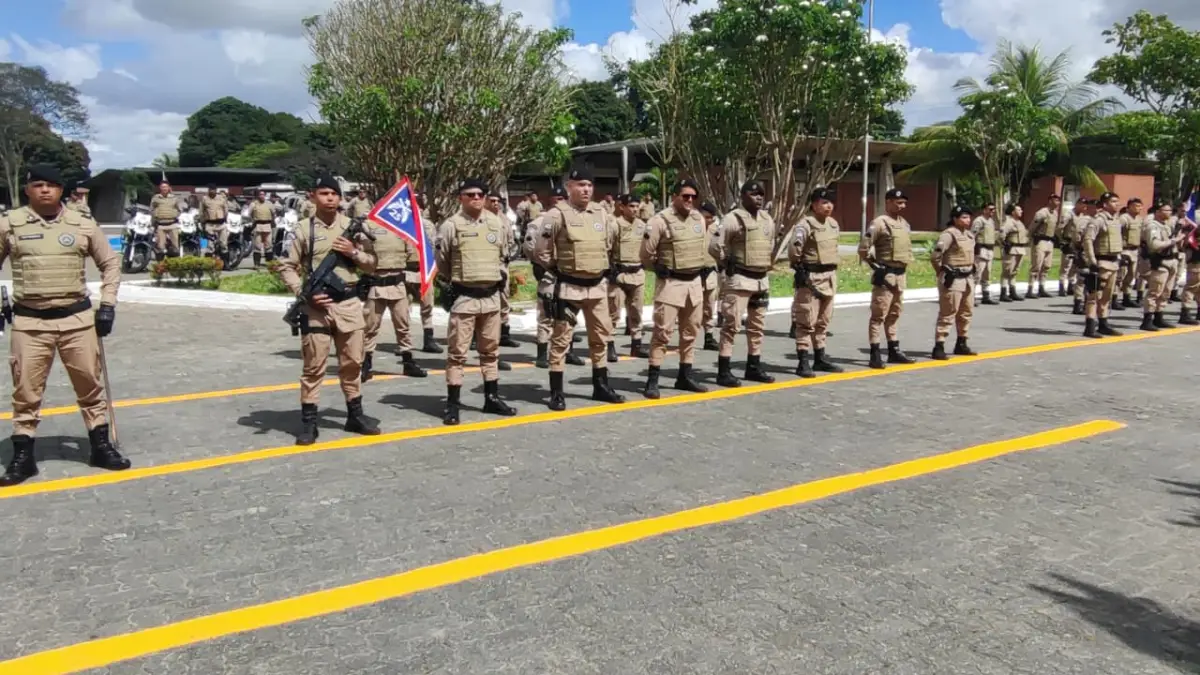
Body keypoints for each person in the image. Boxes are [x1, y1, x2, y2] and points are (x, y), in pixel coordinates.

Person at [0, 164, 129, 486]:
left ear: (62, 190)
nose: (45, 190)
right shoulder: (9, 224)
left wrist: (108, 305)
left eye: (52, 185)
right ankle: (23, 456)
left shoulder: (81, 223)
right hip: (30, 322)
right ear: (28, 189)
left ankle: (100, 446)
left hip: (77, 320)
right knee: (26, 391)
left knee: (89, 384)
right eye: (38, 184)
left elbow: (110, 263)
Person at [276, 173, 381, 445]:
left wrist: (354, 252)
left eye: (334, 194)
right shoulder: (303, 229)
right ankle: (309, 423)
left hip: (348, 304)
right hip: (317, 308)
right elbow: (287, 266)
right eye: (324, 193)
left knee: (352, 363)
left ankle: (354, 415)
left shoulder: (353, 227)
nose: (330, 198)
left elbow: (372, 264)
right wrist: (303, 294)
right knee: (314, 366)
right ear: (313, 197)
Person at [533, 168, 625, 410]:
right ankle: (556, 392)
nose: (586, 190)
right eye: (581, 185)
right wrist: (560, 270)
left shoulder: (602, 214)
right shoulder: (556, 215)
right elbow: (541, 252)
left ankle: (601, 386)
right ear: (569, 187)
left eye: (590, 185)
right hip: (569, 289)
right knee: (561, 340)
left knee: (600, 338)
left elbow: (612, 244)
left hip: (597, 289)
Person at [435, 179, 518, 425]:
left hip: (491, 298)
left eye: (480, 194)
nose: (476, 198)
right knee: (457, 353)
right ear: (460, 198)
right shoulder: (451, 226)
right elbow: (442, 262)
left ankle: (491, 397)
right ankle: (452, 403)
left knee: (490, 352)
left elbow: (504, 254)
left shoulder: (496, 223)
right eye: (469, 194)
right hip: (465, 298)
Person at [639, 179, 709, 397]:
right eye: (685, 196)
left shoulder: (699, 218)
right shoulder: (659, 221)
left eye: (693, 197)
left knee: (690, 332)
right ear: (675, 197)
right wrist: (657, 268)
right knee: (662, 333)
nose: (689, 200)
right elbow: (645, 254)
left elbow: (703, 247)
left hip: (694, 284)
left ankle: (685, 376)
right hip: (671, 284)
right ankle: (653, 379)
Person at [711, 180, 776, 387]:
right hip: (739, 279)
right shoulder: (732, 219)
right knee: (731, 325)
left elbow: (771, 244)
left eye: (761, 194)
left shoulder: (767, 219)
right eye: (753, 194)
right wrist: (725, 261)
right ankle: (724, 370)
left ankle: (753, 366)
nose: (758, 198)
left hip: (760, 280)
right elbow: (714, 245)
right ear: (743, 196)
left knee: (757, 326)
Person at [360, 216, 428, 382]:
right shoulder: (367, 226)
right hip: (377, 284)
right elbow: (361, 256)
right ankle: (365, 363)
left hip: (398, 284)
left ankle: (408, 361)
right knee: (370, 327)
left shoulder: (401, 228)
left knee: (403, 325)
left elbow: (413, 256)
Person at [858, 188, 916, 369]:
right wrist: (875, 266)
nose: (902, 206)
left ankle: (893, 350)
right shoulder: (879, 223)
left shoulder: (905, 224)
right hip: (886, 276)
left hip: (900, 276)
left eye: (904, 203)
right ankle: (875, 353)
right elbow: (863, 248)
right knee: (878, 316)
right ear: (888, 202)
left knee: (894, 314)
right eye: (898, 202)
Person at [789, 187, 842, 378]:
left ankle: (820, 357)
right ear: (814, 205)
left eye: (830, 202)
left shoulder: (833, 224)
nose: (829, 206)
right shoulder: (805, 225)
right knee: (806, 321)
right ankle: (803, 361)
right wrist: (800, 270)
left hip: (829, 277)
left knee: (823, 321)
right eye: (824, 202)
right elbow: (794, 251)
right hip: (811, 278)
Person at [523, 187, 578, 368]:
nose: (559, 201)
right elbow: (530, 249)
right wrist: (545, 266)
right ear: (550, 201)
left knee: (568, 315)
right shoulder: (538, 222)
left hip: (569, 275)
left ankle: (568, 351)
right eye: (556, 198)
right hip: (548, 274)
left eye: (562, 198)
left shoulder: (575, 220)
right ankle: (541, 353)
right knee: (546, 314)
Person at [930, 205, 977, 359]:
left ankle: (961, 342)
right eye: (963, 217)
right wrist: (941, 272)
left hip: (968, 278)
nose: (967, 220)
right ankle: (939, 345)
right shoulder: (949, 235)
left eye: (969, 217)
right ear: (955, 219)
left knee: (966, 311)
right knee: (948, 312)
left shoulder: (969, 235)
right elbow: (936, 256)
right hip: (954, 278)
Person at [606, 193, 649, 360]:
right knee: (613, 312)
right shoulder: (615, 225)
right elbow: (606, 249)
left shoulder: (642, 225)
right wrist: (609, 271)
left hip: (637, 273)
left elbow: (647, 247)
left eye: (637, 206)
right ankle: (609, 345)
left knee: (636, 311)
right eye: (631, 206)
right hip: (619, 274)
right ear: (621, 207)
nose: (635, 209)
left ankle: (636, 345)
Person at [1080, 191, 1125, 338]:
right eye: (1113, 202)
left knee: (1107, 296)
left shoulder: (1116, 220)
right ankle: (1090, 326)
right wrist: (1092, 261)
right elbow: (1088, 240)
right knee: (1094, 296)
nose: (1117, 204)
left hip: (1113, 262)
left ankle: (1104, 324)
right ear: (1105, 204)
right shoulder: (1098, 220)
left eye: (1117, 201)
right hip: (1101, 262)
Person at [1138, 201, 1185, 331]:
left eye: (1170, 211)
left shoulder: (1167, 225)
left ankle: (1159, 317)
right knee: (1155, 291)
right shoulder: (1152, 226)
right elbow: (1155, 245)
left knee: (1166, 292)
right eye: (1166, 210)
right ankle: (1147, 320)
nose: (1169, 213)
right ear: (1158, 211)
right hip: (1160, 262)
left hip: (1171, 261)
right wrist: (1174, 240)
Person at [485, 191, 520, 353]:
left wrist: (510, 255)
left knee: (504, 299)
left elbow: (512, 241)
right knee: (484, 300)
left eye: (497, 201)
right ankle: (476, 337)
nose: (495, 204)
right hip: (486, 265)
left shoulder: (504, 219)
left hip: (502, 264)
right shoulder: (481, 218)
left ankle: (504, 334)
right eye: (492, 200)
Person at [408, 192, 442, 355]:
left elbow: (434, 246)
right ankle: (404, 344)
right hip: (405, 270)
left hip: (424, 270)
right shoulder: (401, 225)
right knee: (402, 309)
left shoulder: (427, 225)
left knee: (427, 306)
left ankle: (429, 339)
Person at [1028, 194, 1063, 298]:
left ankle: (1041, 287)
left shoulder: (1055, 214)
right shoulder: (1042, 213)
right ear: (1050, 201)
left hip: (1050, 242)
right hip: (1040, 241)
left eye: (1058, 201)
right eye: (1056, 200)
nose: (1058, 203)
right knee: (1036, 266)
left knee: (1047, 265)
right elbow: (1032, 227)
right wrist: (1030, 238)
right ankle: (1030, 288)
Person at [698, 201, 721, 350]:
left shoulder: (717, 229)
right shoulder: (692, 227)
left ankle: (709, 336)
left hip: (711, 272)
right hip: (693, 272)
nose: (709, 220)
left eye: (711, 218)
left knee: (709, 306)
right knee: (691, 308)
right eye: (706, 217)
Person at [1116, 197, 1145, 310]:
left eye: (1140, 206)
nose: (1138, 208)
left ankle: (1126, 297)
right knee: (1120, 275)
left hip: (1135, 250)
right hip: (1124, 249)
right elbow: (1116, 233)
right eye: (1136, 206)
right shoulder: (1124, 218)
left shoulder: (1139, 219)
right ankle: (1114, 298)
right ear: (1129, 207)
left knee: (1132, 275)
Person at [998, 204, 1029, 302]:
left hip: (1020, 249)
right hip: (1012, 249)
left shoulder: (1019, 222)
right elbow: (1001, 234)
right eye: (1019, 209)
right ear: (1013, 212)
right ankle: (1003, 293)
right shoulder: (1009, 222)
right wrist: (1004, 244)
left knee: (1015, 271)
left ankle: (1012, 291)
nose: (1021, 211)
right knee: (1007, 271)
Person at [970, 203, 998, 305]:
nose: (993, 211)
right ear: (984, 210)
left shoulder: (991, 221)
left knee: (987, 274)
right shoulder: (979, 221)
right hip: (981, 250)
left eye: (994, 209)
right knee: (977, 274)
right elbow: (972, 235)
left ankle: (986, 296)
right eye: (990, 209)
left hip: (989, 250)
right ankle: (970, 298)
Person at [150, 179, 184, 260]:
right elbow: (151, 209)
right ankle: (161, 266)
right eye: (162, 187)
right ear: (160, 188)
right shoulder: (156, 198)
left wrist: (175, 215)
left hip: (173, 224)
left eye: (166, 187)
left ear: (169, 188)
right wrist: (155, 217)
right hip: (161, 225)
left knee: (175, 247)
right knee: (160, 247)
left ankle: (174, 265)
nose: (164, 188)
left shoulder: (174, 198)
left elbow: (180, 209)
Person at [199, 184, 229, 256]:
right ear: (208, 190)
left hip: (221, 224)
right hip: (210, 225)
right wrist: (202, 223)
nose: (212, 191)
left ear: (216, 190)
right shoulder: (204, 199)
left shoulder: (222, 198)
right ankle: (210, 264)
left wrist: (225, 219)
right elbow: (201, 212)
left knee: (223, 244)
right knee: (210, 245)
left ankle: (226, 264)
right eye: (210, 189)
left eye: (213, 189)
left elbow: (226, 210)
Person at [248, 189, 275, 268]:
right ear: (258, 196)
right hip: (258, 226)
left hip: (267, 226)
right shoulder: (253, 204)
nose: (262, 196)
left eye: (263, 194)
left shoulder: (269, 204)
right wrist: (252, 222)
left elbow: (273, 214)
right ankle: (256, 264)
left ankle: (270, 264)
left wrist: (273, 222)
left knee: (268, 245)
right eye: (260, 194)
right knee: (257, 246)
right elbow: (249, 214)